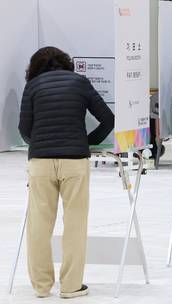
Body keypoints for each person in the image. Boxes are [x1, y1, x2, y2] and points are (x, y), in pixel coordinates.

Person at [18, 46, 114, 298]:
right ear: (66, 63)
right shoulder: (80, 82)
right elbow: (108, 119)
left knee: (39, 224)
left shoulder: (33, 86)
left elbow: (24, 128)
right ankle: (71, 286)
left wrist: (39, 143)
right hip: (75, 161)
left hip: (40, 162)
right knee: (75, 224)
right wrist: (86, 141)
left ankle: (41, 286)